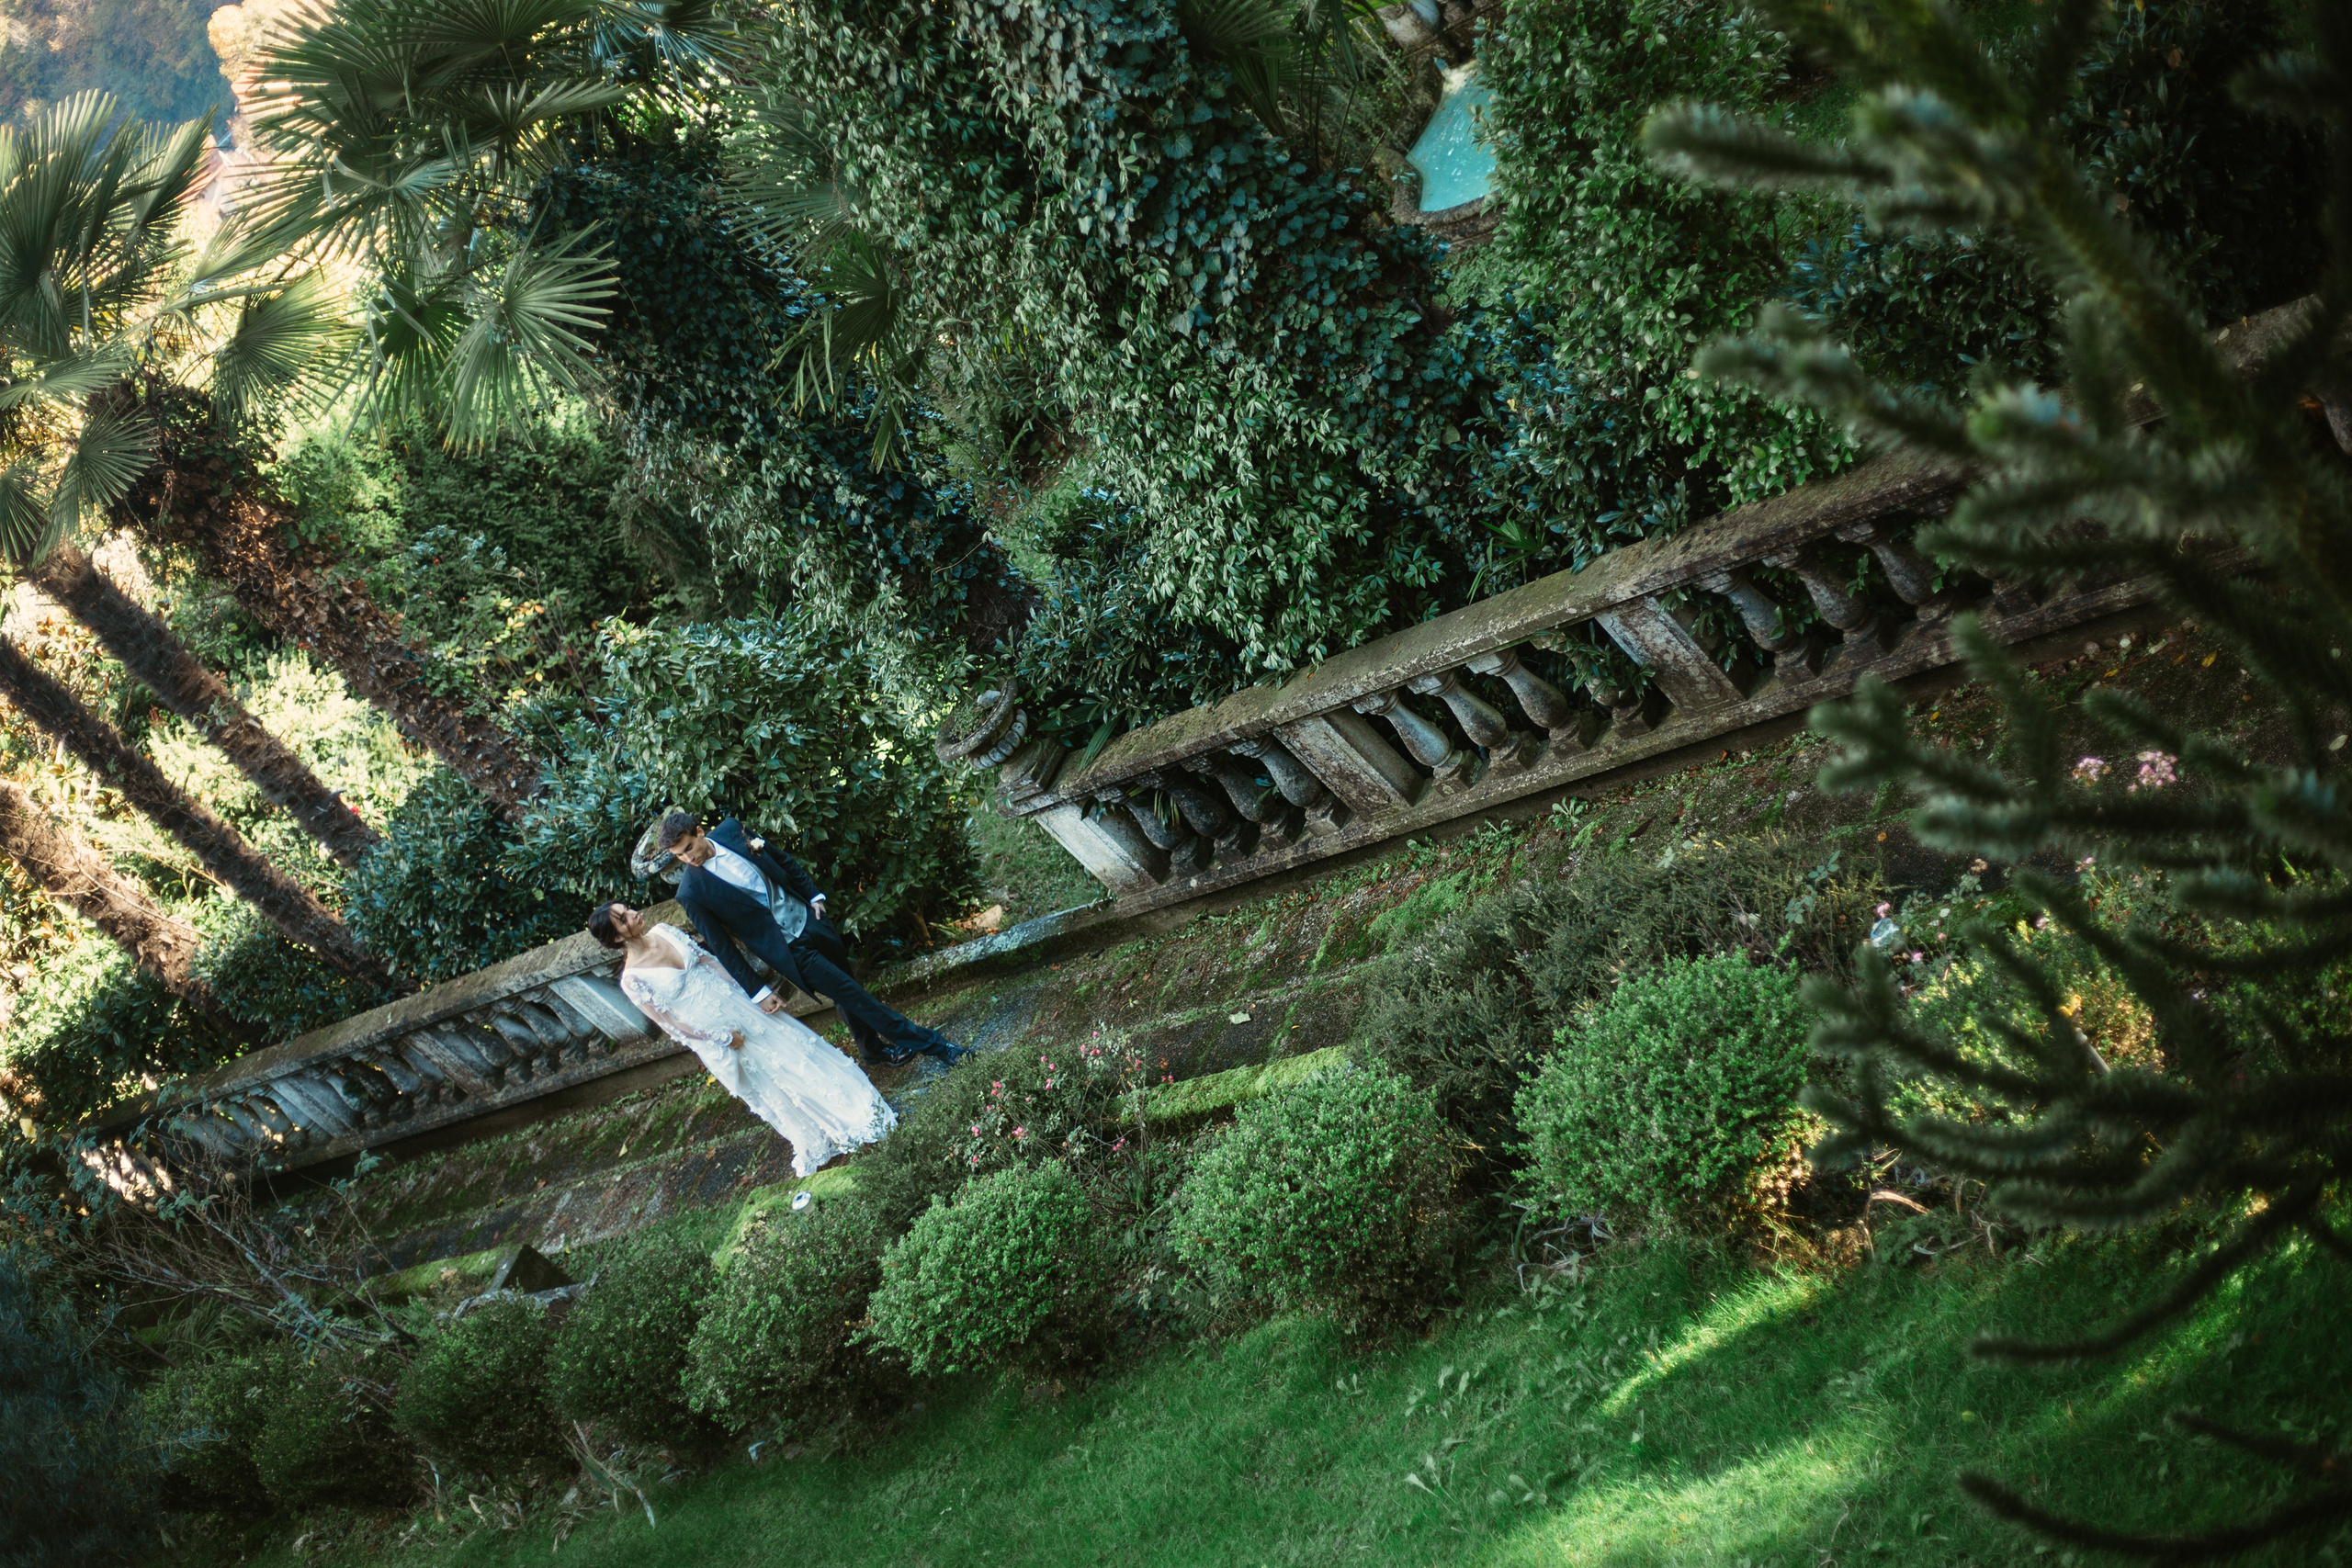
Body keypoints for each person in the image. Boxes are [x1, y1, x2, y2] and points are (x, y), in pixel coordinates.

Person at [589, 902, 895, 1177]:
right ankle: (819, 1133)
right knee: (774, 1080)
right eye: (624, 919)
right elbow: (672, 1025)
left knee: (795, 1053)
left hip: (736, 1002)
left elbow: (708, 961)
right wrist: (721, 1038)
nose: (633, 914)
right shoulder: (632, 979)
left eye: (628, 909)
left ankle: (849, 1110)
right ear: (617, 938)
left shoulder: (664, 930)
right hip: (715, 1031)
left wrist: (753, 994)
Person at [648, 810, 967, 1067]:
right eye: (679, 856)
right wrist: (757, 991)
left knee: (847, 989)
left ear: (700, 832)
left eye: (688, 848)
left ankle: (871, 1051)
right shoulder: (691, 893)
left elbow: (780, 859)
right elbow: (723, 947)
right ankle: (938, 1047)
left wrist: (813, 895)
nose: (687, 859)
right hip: (790, 950)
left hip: (810, 921)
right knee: (857, 997)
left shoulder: (733, 830)